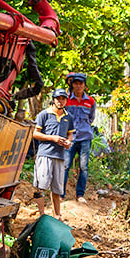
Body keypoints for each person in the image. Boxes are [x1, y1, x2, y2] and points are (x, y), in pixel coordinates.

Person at [32, 88, 74, 218]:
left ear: (66, 100)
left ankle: (57, 215)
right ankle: (41, 214)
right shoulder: (44, 114)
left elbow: (70, 133)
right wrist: (52, 138)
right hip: (44, 154)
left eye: (63, 99)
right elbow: (35, 134)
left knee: (57, 188)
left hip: (59, 156)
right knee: (41, 186)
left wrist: (69, 141)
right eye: (58, 99)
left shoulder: (68, 117)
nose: (60, 101)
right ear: (53, 100)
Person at [63, 73, 97, 203]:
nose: (78, 86)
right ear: (72, 84)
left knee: (83, 167)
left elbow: (91, 118)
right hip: (70, 137)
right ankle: (60, 194)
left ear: (84, 85)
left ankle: (80, 195)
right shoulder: (66, 99)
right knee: (65, 165)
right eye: (75, 83)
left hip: (85, 137)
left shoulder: (90, 101)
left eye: (80, 83)